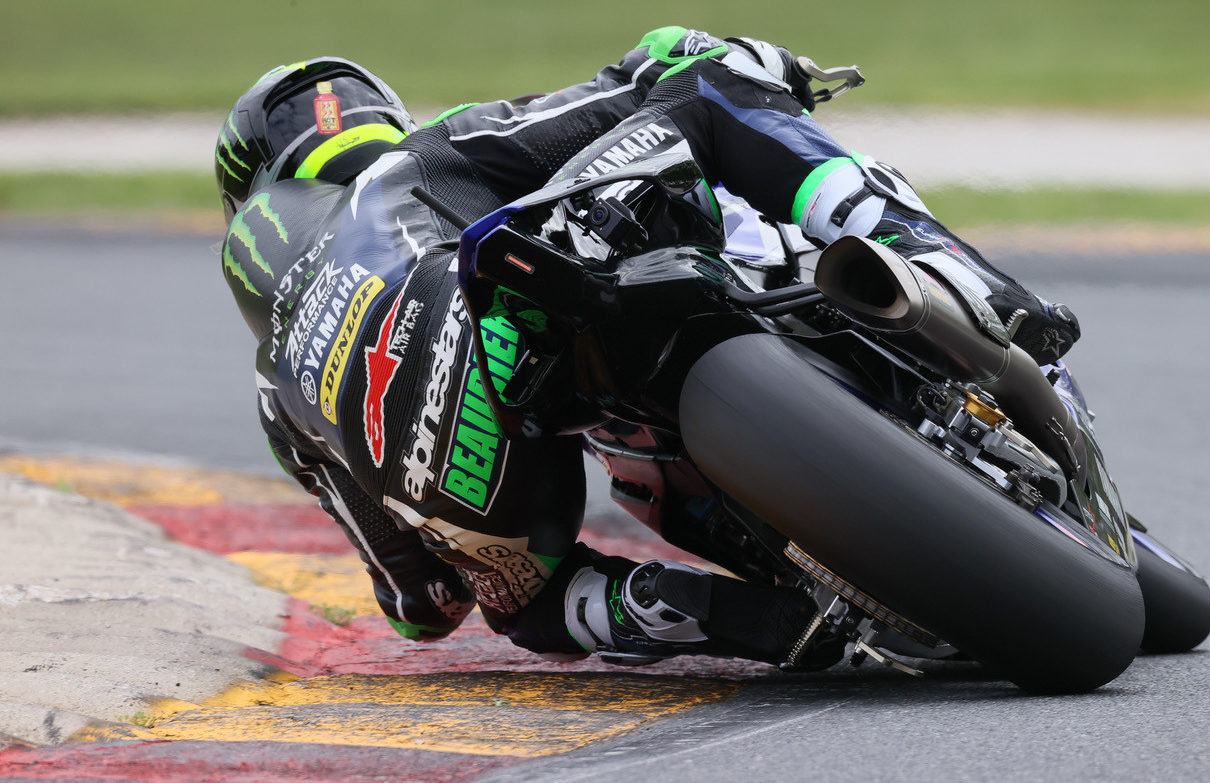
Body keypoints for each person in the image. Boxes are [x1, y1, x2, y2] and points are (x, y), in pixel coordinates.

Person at [215, 28, 1080, 667]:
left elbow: (422, 610)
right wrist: (738, 62)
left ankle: (717, 612)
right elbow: (635, 91)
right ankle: (954, 273)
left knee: (528, 609)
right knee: (703, 80)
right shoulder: (412, 163)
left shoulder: (277, 391)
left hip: (472, 471)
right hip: (489, 303)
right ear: (372, 119)